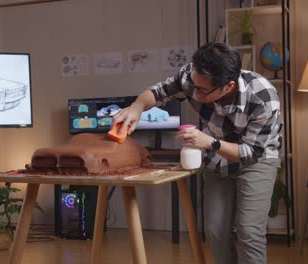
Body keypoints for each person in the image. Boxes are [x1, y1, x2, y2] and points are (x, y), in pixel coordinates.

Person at [112, 42, 282, 264]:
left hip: (255, 162)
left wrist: (210, 142)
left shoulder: (263, 98)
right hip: (217, 162)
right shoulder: (192, 78)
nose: (195, 93)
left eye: (202, 90)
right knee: (215, 230)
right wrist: (136, 107)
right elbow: (157, 92)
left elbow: (251, 153)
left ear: (228, 86)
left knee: (249, 231)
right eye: (193, 84)